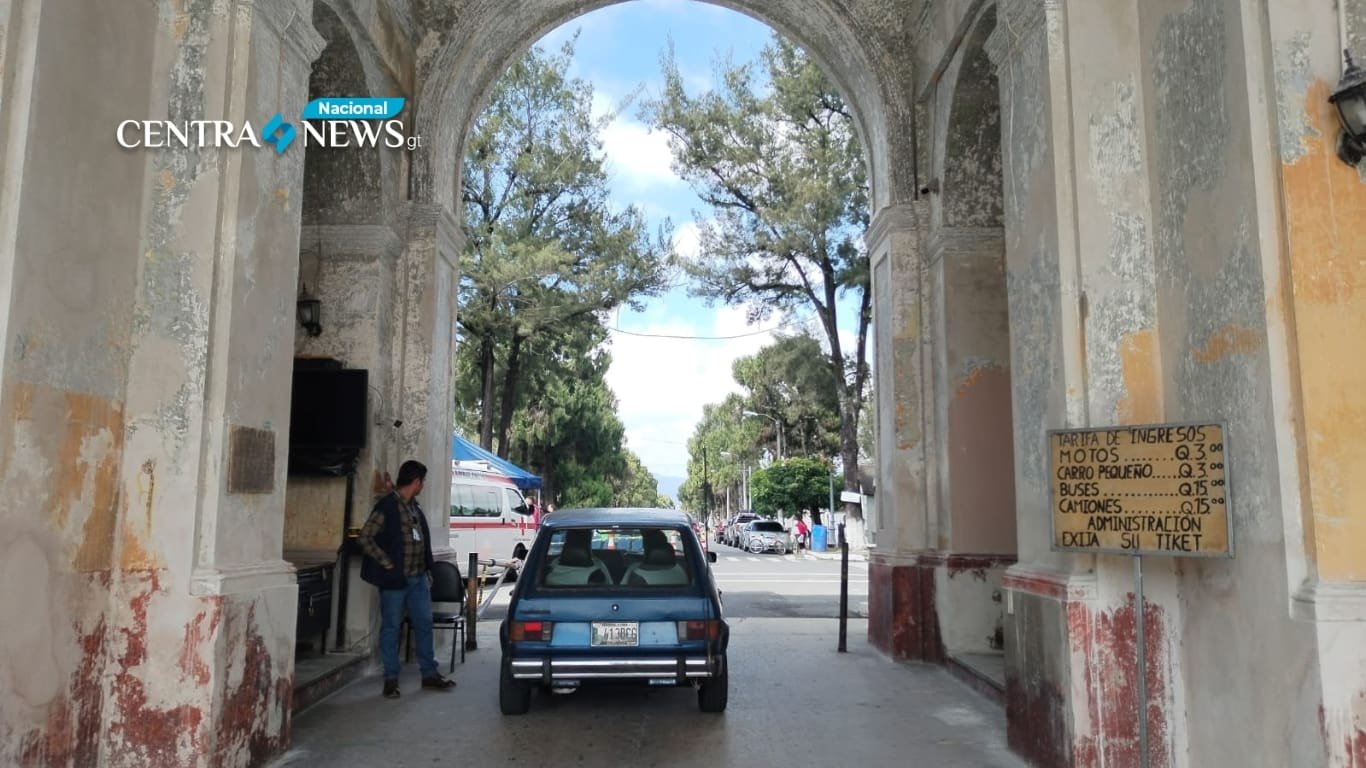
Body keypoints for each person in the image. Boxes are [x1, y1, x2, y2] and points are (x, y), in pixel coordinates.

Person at [356, 459, 457, 698]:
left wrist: (428, 570)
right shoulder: (387, 507)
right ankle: (391, 679)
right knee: (391, 627)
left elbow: (422, 541)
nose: (423, 486)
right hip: (395, 580)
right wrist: (385, 561)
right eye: (422, 482)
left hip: (418, 579)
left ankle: (429, 673)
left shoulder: (414, 508)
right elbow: (365, 537)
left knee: (423, 624)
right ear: (416, 482)